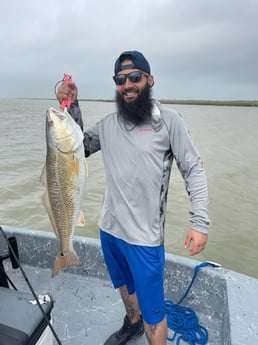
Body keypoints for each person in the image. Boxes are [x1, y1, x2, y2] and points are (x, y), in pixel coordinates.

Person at [56, 51, 209, 345]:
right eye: (121, 79)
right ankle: (132, 322)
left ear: (149, 80)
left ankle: (147, 326)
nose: (128, 84)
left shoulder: (169, 121)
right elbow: (80, 148)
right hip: (110, 229)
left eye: (135, 77)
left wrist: (199, 222)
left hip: (144, 240)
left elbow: (194, 170)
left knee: (155, 313)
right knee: (125, 286)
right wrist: (71, 104)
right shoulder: (108, 124)